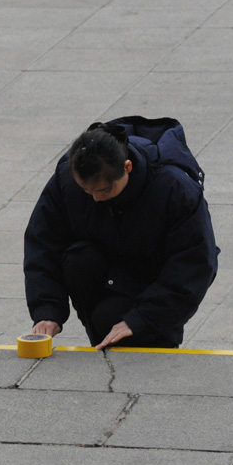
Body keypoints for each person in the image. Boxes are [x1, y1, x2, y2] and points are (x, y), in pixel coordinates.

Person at [23, 117, 218, 350]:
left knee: (114, 320)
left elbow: (194, 264)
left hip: (151, 279)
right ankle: (105, 339)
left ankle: (149, 341)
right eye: (86, 191)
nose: (95, 198)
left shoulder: (174, 188)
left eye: (104, 189)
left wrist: (142, 319)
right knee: (79, 262)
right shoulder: (68, 178)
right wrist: (47, 310)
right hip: (104, 266)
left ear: (127, 167)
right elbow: (43, 244)